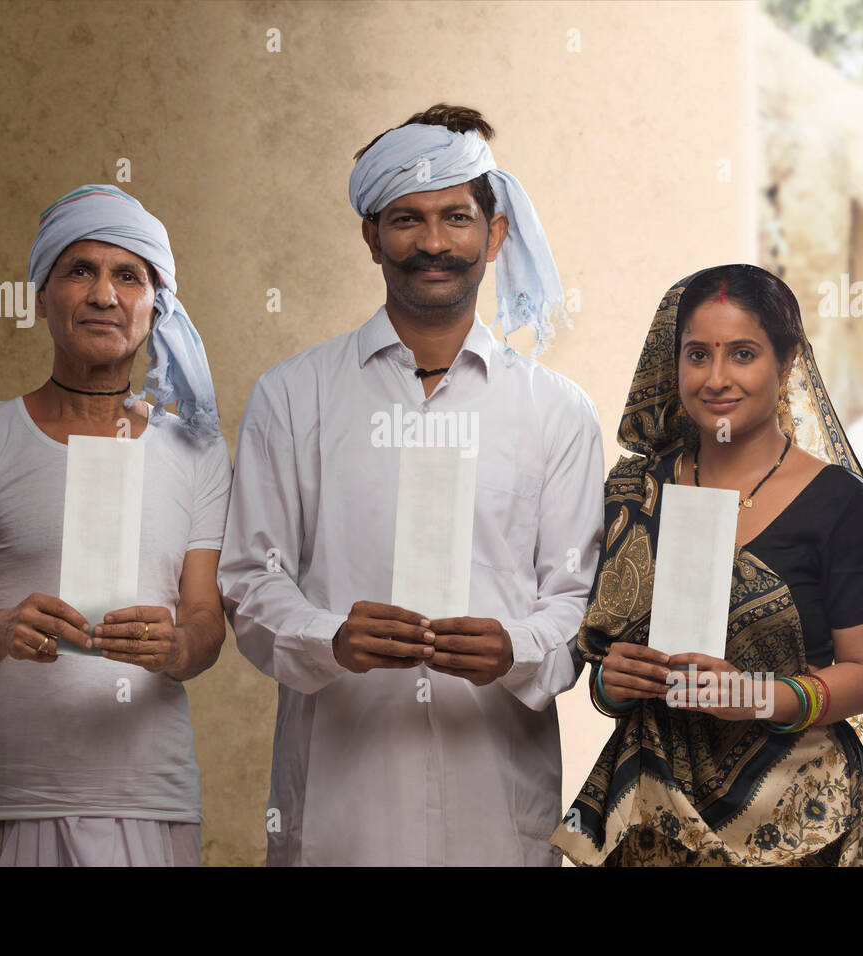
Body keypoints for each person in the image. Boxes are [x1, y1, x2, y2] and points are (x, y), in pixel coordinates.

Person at [218, 104, 604, 865]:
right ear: (371, 236)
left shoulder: (557, 413)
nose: (433, 243)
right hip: (341, 802)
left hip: (494, 803)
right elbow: (249, 585)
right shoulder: (293, 397)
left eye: (457, 217)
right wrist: (332, 637)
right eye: (406, 218)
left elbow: (578, 601)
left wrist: (514, 650)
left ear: (494, 235)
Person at [550, 264, 863, 866]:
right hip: (654, 818)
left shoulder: (841, 506)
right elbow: (606, 645)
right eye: (697, 354)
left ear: (785, 364)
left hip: (800, 820)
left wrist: (757, 695)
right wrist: (611, 682)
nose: (716, 378)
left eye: (743, 354)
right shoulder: (636, 490)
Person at [0, 184, 232, 866]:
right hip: (2, 795)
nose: (102, 295)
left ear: (156, 304)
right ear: (41, 295)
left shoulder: (197, 451)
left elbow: (207, 620)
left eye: (128, 275)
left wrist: (176, 647)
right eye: (78, 270)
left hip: (148, 795)